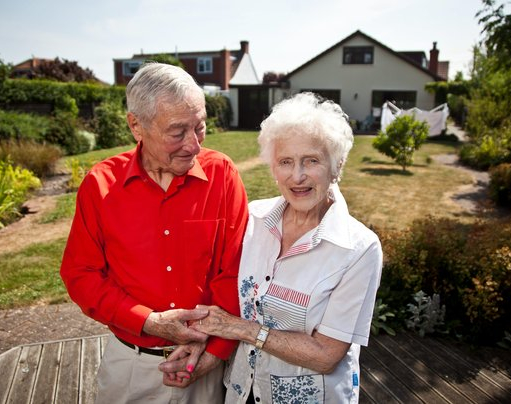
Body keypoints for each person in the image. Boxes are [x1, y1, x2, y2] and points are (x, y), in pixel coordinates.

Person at [160, 92, 383, 403]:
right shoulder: (253, 219)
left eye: (312, 161)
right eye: (285, 162)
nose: (298, 176)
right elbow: (227, 297)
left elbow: (325, 355)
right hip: (242, 391)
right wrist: (203, 347)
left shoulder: (358, 249)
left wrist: (242, 329)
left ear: (338, 165)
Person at [60, 62, 249, 403]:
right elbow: (81, 275)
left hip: (204, 363)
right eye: (178, 132)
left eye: (200, 128)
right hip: (131, 369)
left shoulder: (222, 175)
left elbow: (235, 273)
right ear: (137, 125)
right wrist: (147, 321)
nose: (193, 145)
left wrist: (216, 352)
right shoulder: (100, 185)